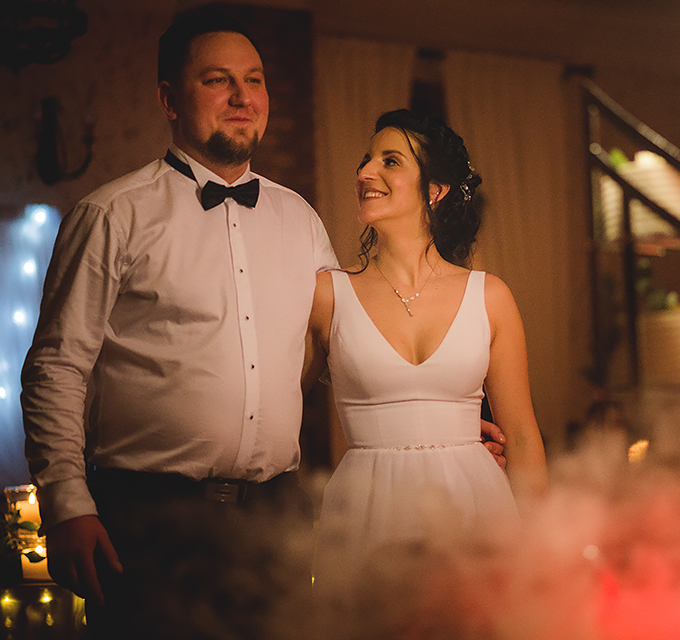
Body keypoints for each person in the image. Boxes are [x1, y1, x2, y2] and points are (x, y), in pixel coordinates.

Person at [19, 8, 341, 639]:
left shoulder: (301, 219)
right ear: (169, 99)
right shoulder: (112, 215)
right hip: (147, 519)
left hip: (275, 515)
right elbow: (56, 367)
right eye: (218, 80)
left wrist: (435, 416)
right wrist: (66, 504)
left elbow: (343, 348)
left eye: (254, 80)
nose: (242, 96)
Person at [306, 109, 548, 593]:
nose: (365, 172)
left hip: (474, 502)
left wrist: (543, 553)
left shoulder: (490, 296)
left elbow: (521, 436)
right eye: (366, 160)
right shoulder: (328, 295)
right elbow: (277, 411)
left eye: (389, 161)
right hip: (366, 506)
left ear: (434, 190)